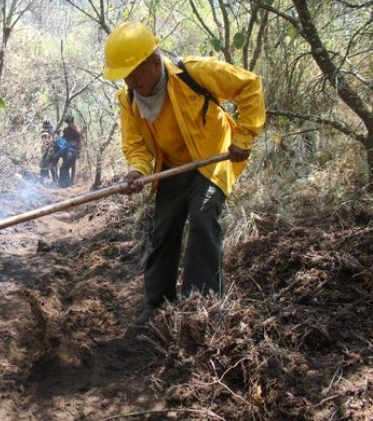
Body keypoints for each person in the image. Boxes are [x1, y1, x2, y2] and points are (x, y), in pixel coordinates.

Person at [102, 21, 266, 326]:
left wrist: (243, 137)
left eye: (135, 74)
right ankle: (158, 302)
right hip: (173, 167)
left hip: (212, 158)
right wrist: (137, 171)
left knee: (203, 217)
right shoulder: (128, 100)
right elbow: (136, 145)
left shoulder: (193, 72)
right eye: (125, 77)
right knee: (163, 228)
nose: (130, 82)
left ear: (154, 63)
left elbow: (250, 84)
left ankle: (199, 306)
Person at [62, 115, 83, 185]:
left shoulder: (77, 129)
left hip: (74, 149)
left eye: (69, 123)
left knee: (73, 165)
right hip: (66, 148)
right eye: (67, 123)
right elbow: (63, 139)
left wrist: (79, 152)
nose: (68, 124)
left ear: (72, 122)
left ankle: (71, 181)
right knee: (65, 163)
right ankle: (66, 180)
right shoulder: (65, 130)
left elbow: (80, 141)